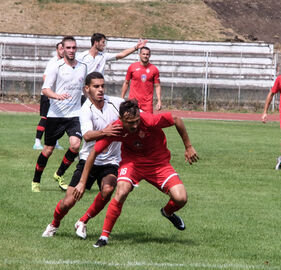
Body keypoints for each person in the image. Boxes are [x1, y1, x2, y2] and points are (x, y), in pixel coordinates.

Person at [72, 99, 199, 247]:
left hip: (158, 164)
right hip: (132, 163)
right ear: (121, 120)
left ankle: (167, 212)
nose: (134, 126)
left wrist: (188, 147)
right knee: (121, 191)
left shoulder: (149, 120)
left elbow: (176, 119)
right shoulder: (116, 128)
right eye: (130, 122)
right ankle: (104, 237)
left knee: (181, 198)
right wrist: (82, 182)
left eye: (137, 121)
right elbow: (93, 152)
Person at [42, 72, 124, 238]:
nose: (100, 89)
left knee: (108, 190)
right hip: (88, 160)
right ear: (87, 89)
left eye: (102, 86)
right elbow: (86, 136)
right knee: (68, 202)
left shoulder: (116, 103)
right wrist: (105, 131)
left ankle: (83, 221)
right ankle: (54, 224)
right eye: (96, 86)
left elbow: (134, 110)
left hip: (111, 161)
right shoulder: (85, 109)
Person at [31, 36, 87, 192]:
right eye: (68, 48)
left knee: (75, 145)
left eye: (73, 48)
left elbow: (84, 88)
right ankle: (36, 180)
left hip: (75, 114)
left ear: (76, 49)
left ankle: (59, 173)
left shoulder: (83, 67)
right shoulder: (56, 66)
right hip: (56, 114)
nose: (71, 50)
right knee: (48, 150)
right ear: (62, 49)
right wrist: (57, 96)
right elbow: (45, 89)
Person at [33, 42, 64, 150]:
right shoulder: (53, 62)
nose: (63, 50)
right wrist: (51, 90)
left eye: (64, 48)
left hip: (56, 95)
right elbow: (45, 77)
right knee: (45, 118)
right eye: (61, 48)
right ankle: (37, 142)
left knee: (56, 119)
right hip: (48, 94)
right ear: (57, 50)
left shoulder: (65, 63)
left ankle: (54, 142)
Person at [76, 33, 147, 75]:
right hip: (85, 90)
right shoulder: (82, 56)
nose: (104, 45)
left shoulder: (103, 56)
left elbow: (121, 55)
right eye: (103, 42)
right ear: (96, 42)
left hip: (98, 89)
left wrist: (136, 47)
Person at [121, 47, 162, 113]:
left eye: (147, 54)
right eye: (143, 54)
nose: (145, 56)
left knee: (149, 122)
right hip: (133, 102)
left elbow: (157, 86)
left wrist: (159, 100)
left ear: (149, 56)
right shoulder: (132, 67)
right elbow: (126, 83)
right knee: (132, 122)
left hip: (147, 103)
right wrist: (122, 98)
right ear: (139, 55)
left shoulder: (154, 69)